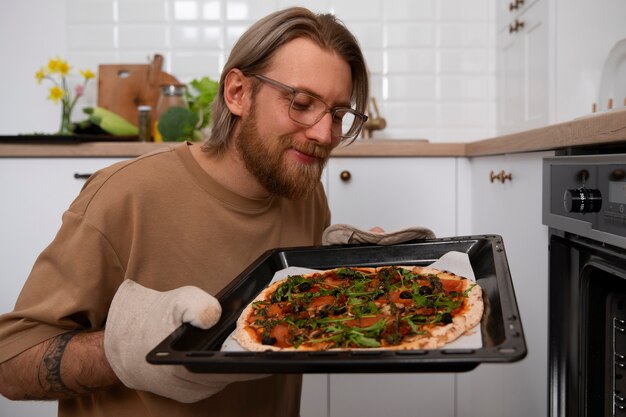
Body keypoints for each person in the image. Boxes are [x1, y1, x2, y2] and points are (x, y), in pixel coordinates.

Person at [0, 6, 369, 417]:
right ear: (238, 94)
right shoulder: (127, 195)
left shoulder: (306, 193)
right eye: (301, 102)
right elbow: (12, 364)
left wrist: (359, 276)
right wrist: (129, 349)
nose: (324, 134)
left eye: (339, 114)